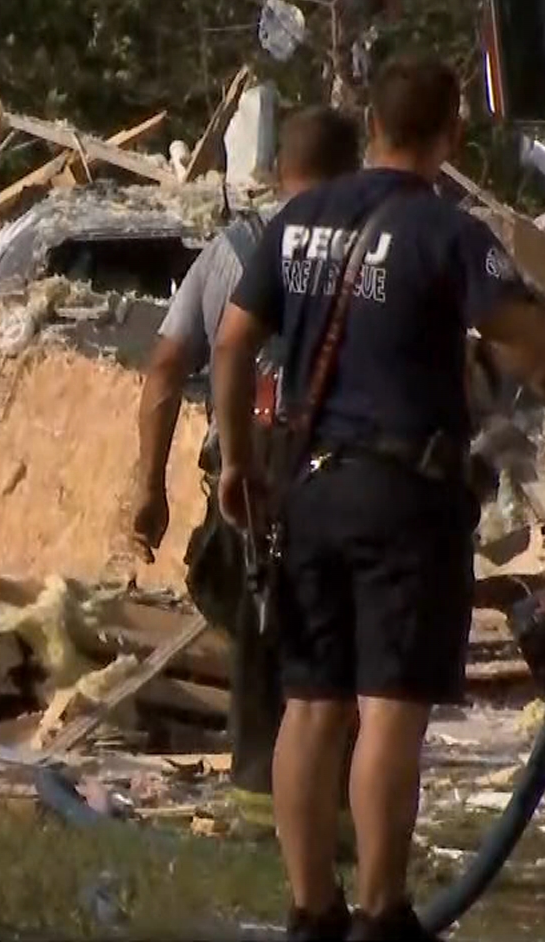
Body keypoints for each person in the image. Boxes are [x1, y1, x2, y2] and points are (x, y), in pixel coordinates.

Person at [210, 55, 545, 941]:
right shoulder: (448, 234)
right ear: (450, 134)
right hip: (405, 498)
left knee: (312, 704)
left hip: (308, 490)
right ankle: (383, 913)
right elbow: (536, 359)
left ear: (373, 125)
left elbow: (231, 345)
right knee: (388, 707)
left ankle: (311, 910)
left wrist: (238, 461)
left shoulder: (297, 220)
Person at [128, 106, 361, 804]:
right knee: (337, 655)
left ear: (278, 170)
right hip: (345, 466)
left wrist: (150, 488)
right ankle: (333, 806)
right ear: (355, 172)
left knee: (259, 648)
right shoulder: (375, 248)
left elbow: (165, 370)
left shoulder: (231, 249)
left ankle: (262, 796)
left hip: (248, 466)